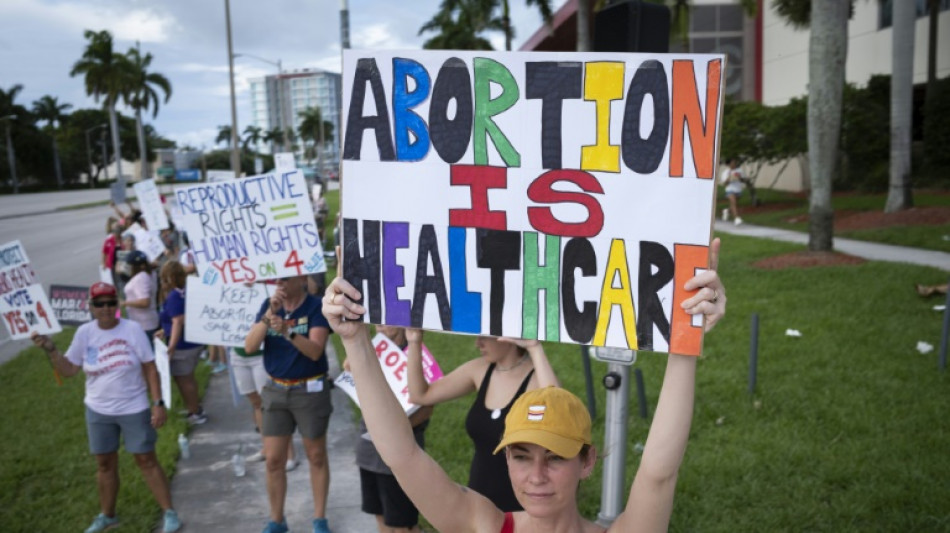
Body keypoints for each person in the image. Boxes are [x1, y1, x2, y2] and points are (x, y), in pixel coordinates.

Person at [323, 237, 726, 533]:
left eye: (554, 458)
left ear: (586, 462)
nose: (536, 476)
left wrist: (686, 339)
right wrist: (354, 340)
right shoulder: (483, 525)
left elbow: (658, 473)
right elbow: (402, 455)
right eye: (520, 456)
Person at [31, 282, 183, 533]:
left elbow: (149, 367)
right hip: (98, 410)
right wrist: (51, 350)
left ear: (117, 305)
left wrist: (157, 403)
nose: (105, 308)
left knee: (146, 459)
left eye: (110, 303)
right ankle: (107, 515)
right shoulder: (84, 333)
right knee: (104, 463)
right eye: (99, 304)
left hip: (133, 406)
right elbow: (69, 370)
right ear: (90, 307)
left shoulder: (132, 329)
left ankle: (169, 512)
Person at [406, 328, 557, 511]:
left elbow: (557, 409)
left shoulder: (536, 379)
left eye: (484, 336)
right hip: (480, 497)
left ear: (507, 337)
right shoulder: (479, 370)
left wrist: (534, 347)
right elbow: (420, 395)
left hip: (522, 502)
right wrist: (414, 342)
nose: (478, 343)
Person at [244, 275, 334, 533]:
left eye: (285, 279)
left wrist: (286, 331)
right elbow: (250, 346)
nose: (279, 283)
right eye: (276, 280)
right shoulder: (268, 305)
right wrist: (269, 315)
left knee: (316, 455)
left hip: (309, 389)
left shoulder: (316, 307)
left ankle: (319, 518)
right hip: (276, 390)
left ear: (301, 278)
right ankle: (277, 520)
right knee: (273, 459)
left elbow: (315, 350)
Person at [346, 325, 433, 533]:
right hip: (368, 448)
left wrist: (390, 428)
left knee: (403, 523)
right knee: (380, 515)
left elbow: (427, 408)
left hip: (400, 451)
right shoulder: (369, 350)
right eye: (378, 321)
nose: (382, 326)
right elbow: (350, 376)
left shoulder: (417, 354)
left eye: (388, 320)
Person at [231, 345, 300, 471]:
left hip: (263, 354)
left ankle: (290, 454)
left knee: (273, 404)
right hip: (238, 353)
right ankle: (267, 448)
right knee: (256, 403)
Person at [155, 260, 207, 425]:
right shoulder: (184, 292)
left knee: (184, 379)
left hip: (183, 345)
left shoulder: (174, 296)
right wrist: (165, 331)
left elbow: (178, 321)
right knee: (187, 378)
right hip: (191, 341)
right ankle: (194, 407)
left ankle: (195, 412)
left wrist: (171, 346)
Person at [119, 250, 160, 342]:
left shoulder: (141, 277)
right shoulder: (151, 273)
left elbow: (145, 302)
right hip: (146, 321)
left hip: (143, 324)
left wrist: (124, 303)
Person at [720, 158, 744, 225]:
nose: (734, 164)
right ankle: (736, 218)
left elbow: (743, 180)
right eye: (732, 162)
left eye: (734, 162)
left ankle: (727, 211)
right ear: (728, 164)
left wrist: (740, 177)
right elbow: (724, 183)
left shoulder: (739, 171)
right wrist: (729, 178)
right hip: (730, 190)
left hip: (738, 189)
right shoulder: (725, 172)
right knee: (733, 203)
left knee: (734, 205)